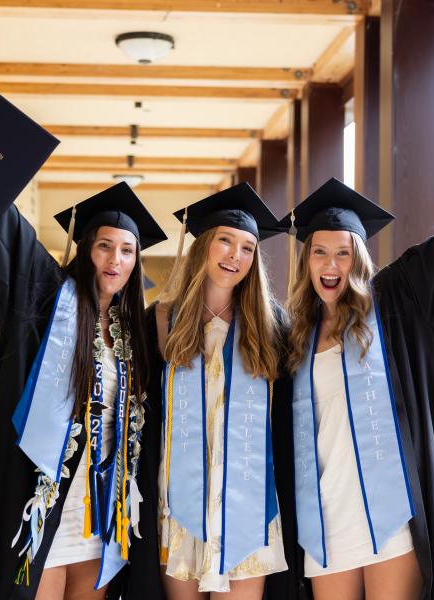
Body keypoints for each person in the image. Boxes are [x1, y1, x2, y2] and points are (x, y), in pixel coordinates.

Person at [0, 84, 167, 600]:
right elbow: (5, 226)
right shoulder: (48, 297)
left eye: (127, 251)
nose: (115, 260)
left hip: (99, 516)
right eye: (105, 245)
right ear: (86, 248)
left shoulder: (136, 336)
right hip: (35, 504)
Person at [273, 177, 434, 600]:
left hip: (391, 518)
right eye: (320, 252)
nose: (331, 265)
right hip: (325, 522)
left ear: (358, 260)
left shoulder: (394, 303)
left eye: (343, 253)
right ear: (306, 261)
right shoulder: (295, 338)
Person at [139, 183, 293, 600]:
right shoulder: (161, 320)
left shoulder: (272, 326)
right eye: (225, 241)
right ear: (203, 245)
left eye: (247, 247)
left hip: (248, 508)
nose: (234, 256)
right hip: (181, 507)